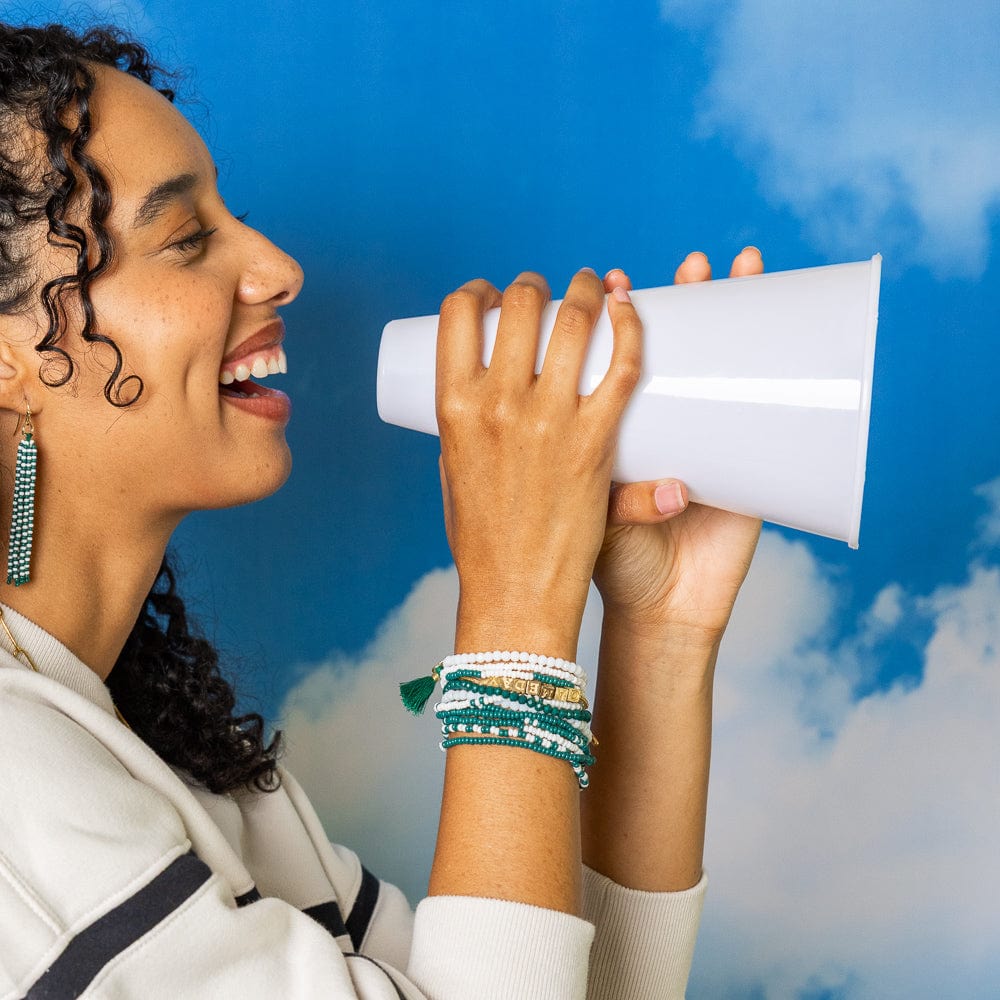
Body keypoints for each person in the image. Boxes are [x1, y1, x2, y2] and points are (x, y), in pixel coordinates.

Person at [0, 21, 762, 1000]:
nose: (278, 266)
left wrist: (661, 636)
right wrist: (516, 608)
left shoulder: (201, 779)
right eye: (186, 238)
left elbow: (543, 978)